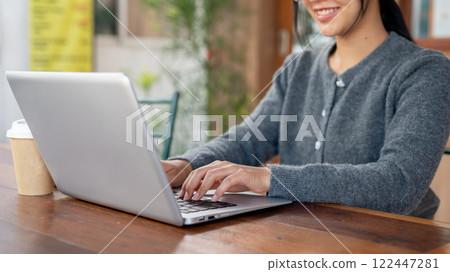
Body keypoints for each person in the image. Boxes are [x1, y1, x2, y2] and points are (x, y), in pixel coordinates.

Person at [161, 0, 450, 219]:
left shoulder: (425, 71)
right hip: (297, 237)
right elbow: (247, 140)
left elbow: (399, 184)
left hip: (390, 247)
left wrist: (268, 178)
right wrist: (183, 166)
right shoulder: (298, 67)